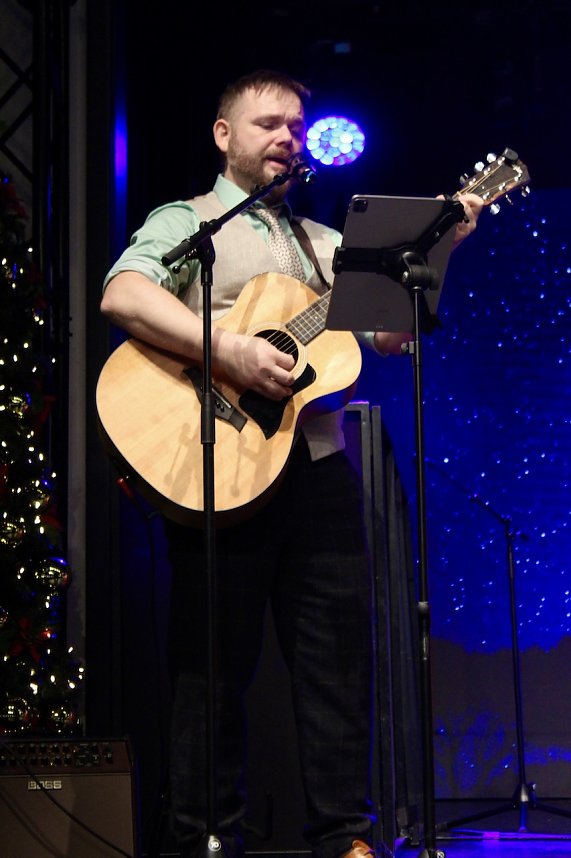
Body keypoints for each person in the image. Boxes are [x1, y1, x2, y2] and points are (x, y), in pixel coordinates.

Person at [101, 68, 483, 858]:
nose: (286, 138)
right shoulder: (191, 218)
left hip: (316, 473)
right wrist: (230, 350)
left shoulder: (328, 245)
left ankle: (345, 836)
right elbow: (123, 295)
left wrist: (439, 248)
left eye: (295, 128)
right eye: (268, 124)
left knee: (338, 663)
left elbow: (390, 337)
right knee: (210, 670)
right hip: (214, 464)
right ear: (224, 135)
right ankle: (206, 836)